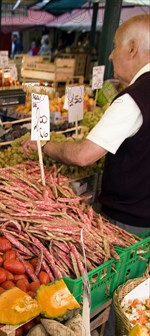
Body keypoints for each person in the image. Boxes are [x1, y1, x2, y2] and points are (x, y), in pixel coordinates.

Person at [23, 14, 150, 235]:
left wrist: (44, 145)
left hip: (128, 220)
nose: (110, 56)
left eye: (114, 47)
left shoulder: (134, 98)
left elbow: (83, 155)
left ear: (132, 48)